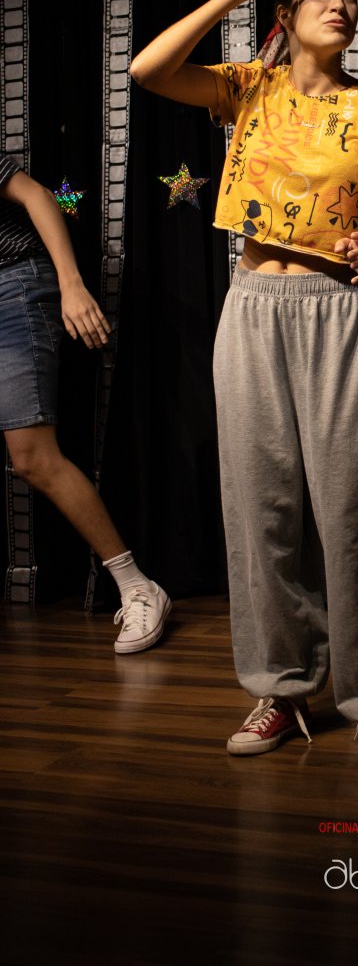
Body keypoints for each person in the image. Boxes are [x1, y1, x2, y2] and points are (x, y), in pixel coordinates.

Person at [130, 0, 358, 770]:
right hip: (253, 307)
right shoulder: (249, 88)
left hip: (338, 312)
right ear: (284, 14)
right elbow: (149, 69)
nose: (341, 3)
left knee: (354, 515)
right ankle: (280, 688)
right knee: (261, 512)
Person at [0, 157, 170, 652]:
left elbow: (36, 195)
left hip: (11, 283)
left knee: (33, 457)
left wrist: (70, 285)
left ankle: (138, 586)